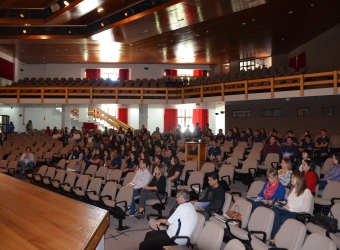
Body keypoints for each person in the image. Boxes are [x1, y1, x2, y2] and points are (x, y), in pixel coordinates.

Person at [271, 172, 313, 240]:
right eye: (291, 177)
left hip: (297, 213)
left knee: (282, 218)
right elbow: (289, 202)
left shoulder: (306, 192)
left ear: (299, 179)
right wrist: (285, 206)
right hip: (288, 210)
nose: (291, 179)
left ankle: (276, 238)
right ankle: (275, 236)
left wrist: (291, 208)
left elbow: (304, 208)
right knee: (274, 211)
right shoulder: (293, 189)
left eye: (293, 177)